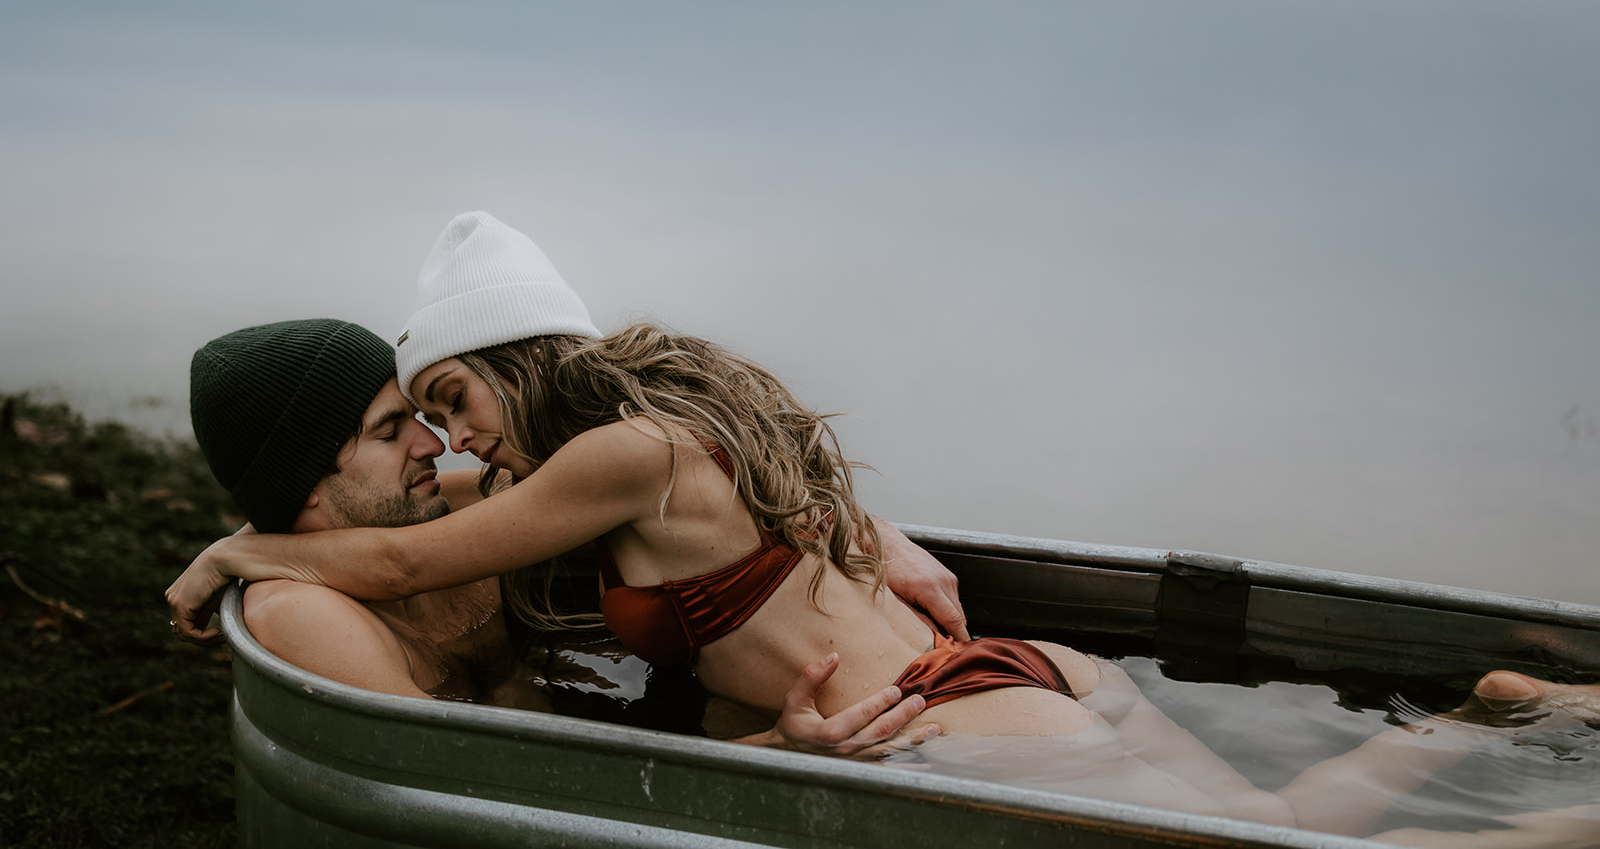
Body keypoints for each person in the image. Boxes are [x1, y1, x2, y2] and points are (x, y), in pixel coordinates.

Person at [169, 213, 1600, 846]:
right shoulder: (676, 413)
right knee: (1279, 822)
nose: (449, 440)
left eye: (451, 399)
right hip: (1010, 676)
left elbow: (411, 555)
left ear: (511, 355)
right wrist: (885, 533)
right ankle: (1486, 713)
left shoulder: (609, 456)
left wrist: (237, 548)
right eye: (411, 420)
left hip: (939, 720)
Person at [183, 316, 964, 753]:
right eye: (395, 431)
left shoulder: (445, 513)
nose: (437, 444)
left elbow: (685, 470)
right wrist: (775, 759)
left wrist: (873, 530)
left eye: (434, 414)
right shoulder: (299, 610)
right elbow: (470, 785)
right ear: (310, 483)